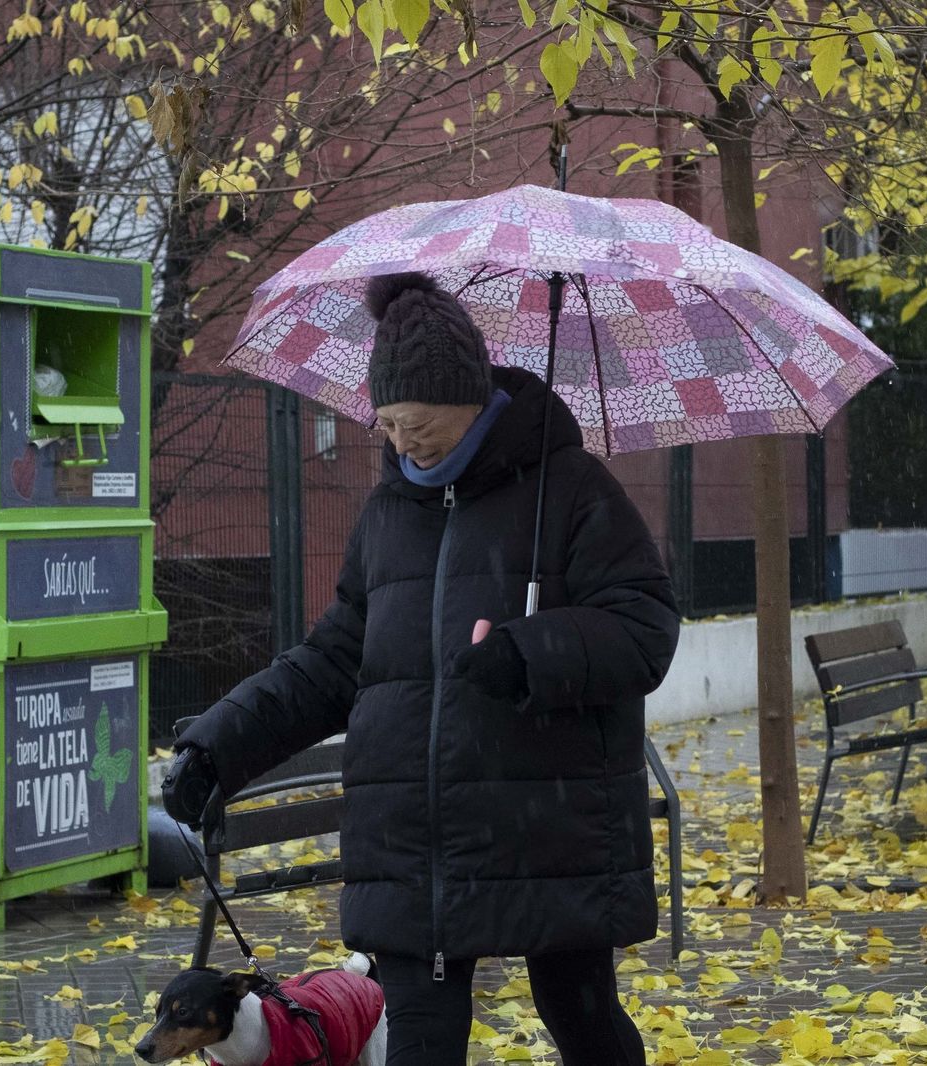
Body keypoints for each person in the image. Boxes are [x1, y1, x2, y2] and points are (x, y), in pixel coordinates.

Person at [163, 271, 680, 1064]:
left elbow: (645, 628)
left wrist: (530, 651)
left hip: (550, 823)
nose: (403, 444)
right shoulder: (386, 515)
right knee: (419, 1040)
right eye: (391, 426)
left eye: (420, 426)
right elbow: (336, 660)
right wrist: (218, 748)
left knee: (582, 1020)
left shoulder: (571, 488)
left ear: (472, 401)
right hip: (410, 840)